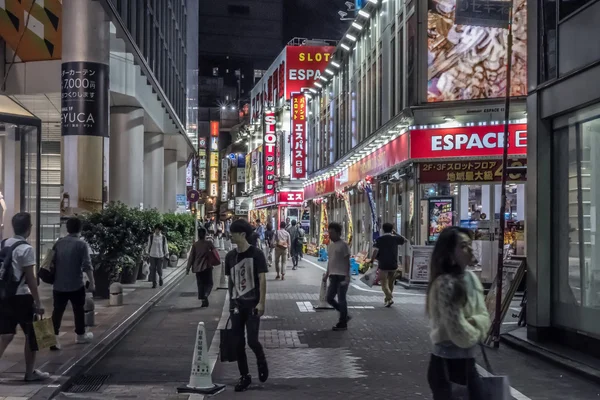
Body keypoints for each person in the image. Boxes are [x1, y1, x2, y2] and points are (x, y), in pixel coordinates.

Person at [426, 226, 490, 400]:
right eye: (463, 246)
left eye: (470, 244)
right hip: (447, 364)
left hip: (467, 362)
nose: (469, 249)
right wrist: (478, 327)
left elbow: (485, 317)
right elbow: (459, 333)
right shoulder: (445, 284)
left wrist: (474, 322)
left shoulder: (471, 278)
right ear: (449, 254)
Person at [0, 212, 49, 381]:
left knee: (6, 334)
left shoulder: (4, 244)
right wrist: (38, 301)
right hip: (21, 297)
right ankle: (30, 373)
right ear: (29, 228)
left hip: (5, 296)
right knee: (32, 334)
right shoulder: (26, 249)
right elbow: (30, 278)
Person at [225, 219, 269, 392]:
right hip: (236, 305)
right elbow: (230, 281)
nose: (230, 236)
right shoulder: (230, 257)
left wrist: (262, 302)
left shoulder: (256, 254)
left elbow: (262, 279)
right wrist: (230, 303)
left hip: (252, 305)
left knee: (252, 340)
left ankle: (261, 359)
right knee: (237, 343)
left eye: (233, 233)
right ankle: (245, 376)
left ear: (242, 234)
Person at [51, 217, 95, 350]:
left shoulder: (58, 243)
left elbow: (50, 261)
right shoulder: (81, 245)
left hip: (58, 284)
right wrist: (92, 282)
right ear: (80, 229)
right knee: (78, 310)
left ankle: (53, 339)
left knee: (57, 312)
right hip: (76, 283)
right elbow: (87, 265)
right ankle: (80, 335)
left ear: (67, 228)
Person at [323, 222, 351, 331]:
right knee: (329, 298)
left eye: (332, 233)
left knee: (341, 299)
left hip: (342, 276)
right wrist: (327, 274)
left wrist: (348, 277)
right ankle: (344, 315)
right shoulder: (330, 246)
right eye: (329, 232)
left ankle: (342, 322)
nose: (330, 235)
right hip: (333, 276)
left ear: (338, 233)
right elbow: (330, 261)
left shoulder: (343, 245)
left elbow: (347, 261)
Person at [371, 222, 406, 307]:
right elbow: (404, 240)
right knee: (391, 283)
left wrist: (372, 260)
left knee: (384, 283)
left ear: (383, 229)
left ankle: (389, 296)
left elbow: (375, 251)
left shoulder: (379, 239)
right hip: (393, 264)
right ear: (392, 229)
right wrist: (396, 233)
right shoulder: (395, 238)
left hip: (383, 264)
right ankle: (388, 300)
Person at [186, 228, 216, 307]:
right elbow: (215, 253)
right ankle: (206, 294)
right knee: (209, 283)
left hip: (197, 267)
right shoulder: (209, 243)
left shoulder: (195, 245)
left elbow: (191, 257)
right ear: (205, 234)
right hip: (207, 266)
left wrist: (187, 268)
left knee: (200, 284)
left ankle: (203, 300)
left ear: (198, 235)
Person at [146, 224, 168, 289]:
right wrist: (147, 252)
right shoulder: (151, 237)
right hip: (152, 255)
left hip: (160, 255)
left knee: (159, 268)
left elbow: (165, 246)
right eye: (156, 229)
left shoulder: (163, 237)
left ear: (161, 230)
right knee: (153, 269)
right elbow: (148, 245)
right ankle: (154, 283)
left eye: (159, 229)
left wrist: (166, 253)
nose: (157, 231)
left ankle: (160, 277)